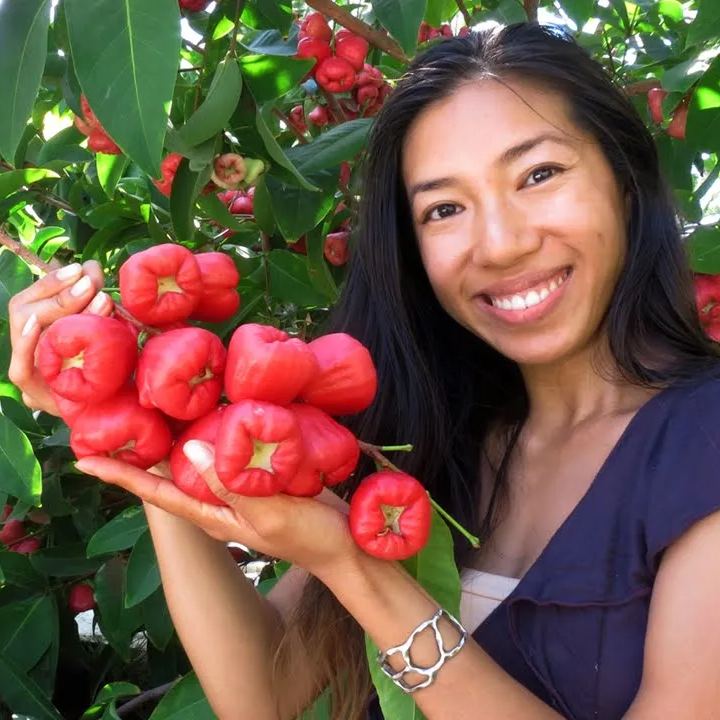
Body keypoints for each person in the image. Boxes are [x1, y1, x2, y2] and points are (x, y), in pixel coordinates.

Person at [8, 20, 720, 720]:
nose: (500, 244)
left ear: (624, 181)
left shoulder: (702, 441)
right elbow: (262, 691)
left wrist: (357, 572)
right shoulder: (437, 433)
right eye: (444, 209)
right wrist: (143, 424)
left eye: (539, 174)